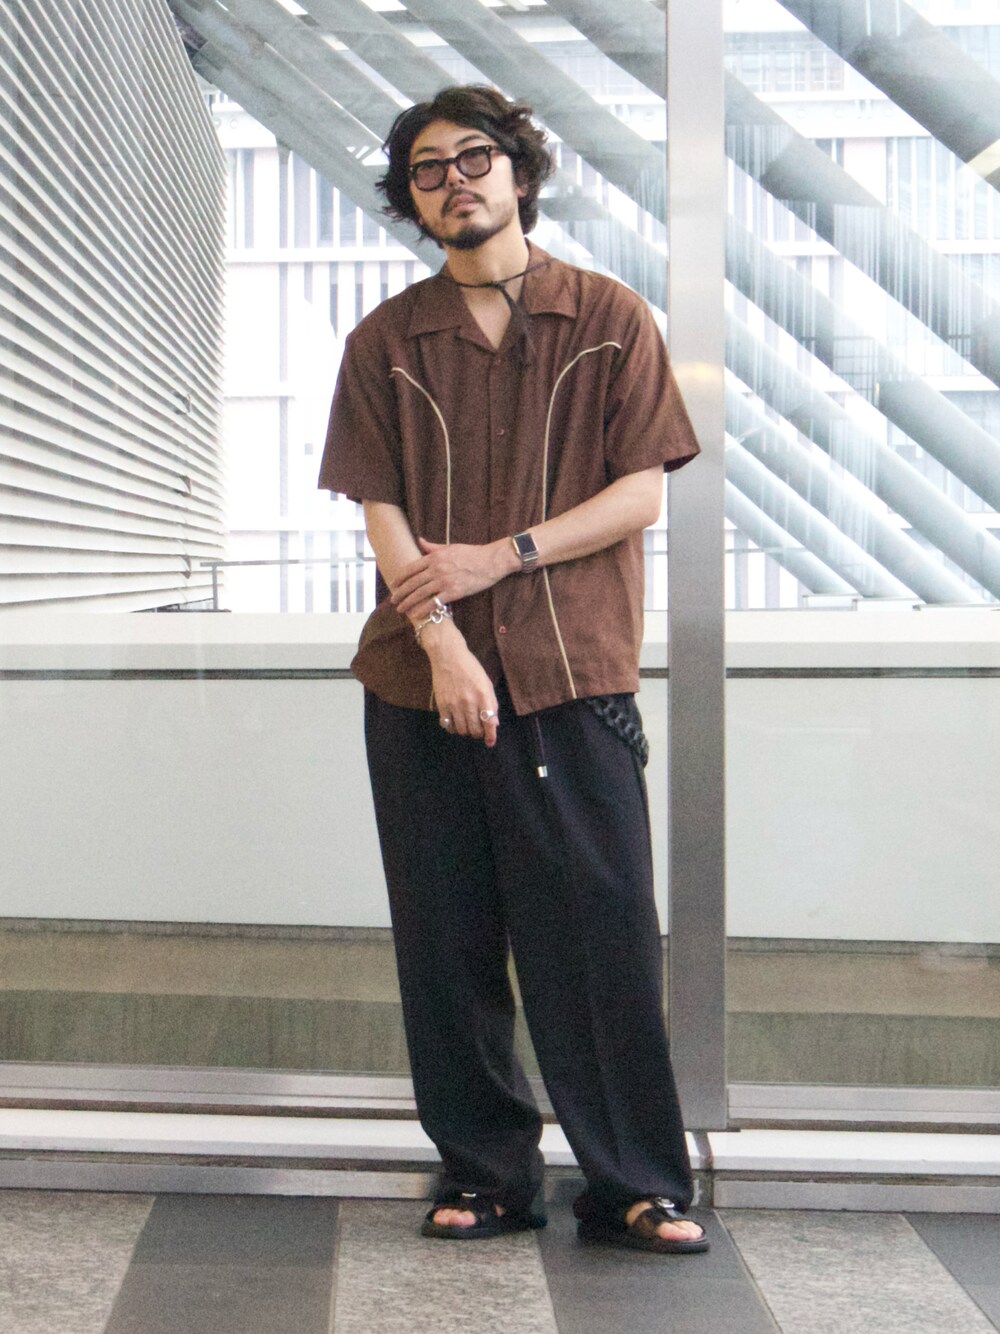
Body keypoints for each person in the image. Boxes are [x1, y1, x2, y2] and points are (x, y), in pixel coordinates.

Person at [318, 84, 708, 1255]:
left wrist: (502, 555)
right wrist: (441, 640)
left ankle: (634, 1181)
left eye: (474, 157)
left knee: (601, 934)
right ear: (412, 199)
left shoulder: (609, 317)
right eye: (427, 169)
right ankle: (485, 1171)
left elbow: (640, 492)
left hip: (572, 670)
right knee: (445, 939)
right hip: (418, 679)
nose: (455, 181)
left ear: (520, 172)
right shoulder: (385, 340)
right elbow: (380, 510)